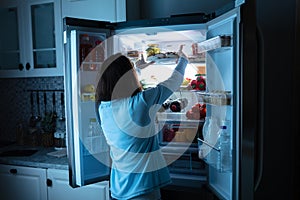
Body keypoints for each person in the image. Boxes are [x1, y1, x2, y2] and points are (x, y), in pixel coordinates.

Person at [95, 45, 188, 200]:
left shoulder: (102, 108)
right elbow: (175, 80)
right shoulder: (140, 102)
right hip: (142, 190)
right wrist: (183, 60)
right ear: (128, 76)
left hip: (118, 189)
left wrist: (138, 69)